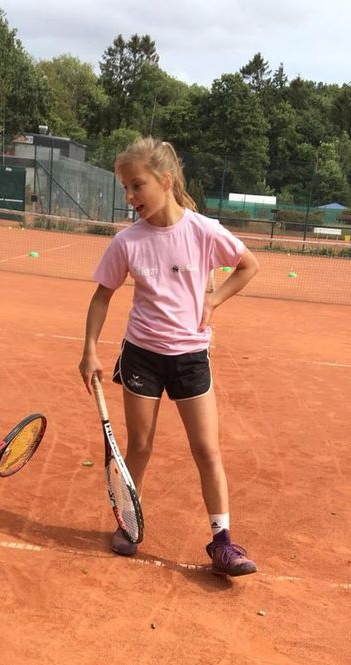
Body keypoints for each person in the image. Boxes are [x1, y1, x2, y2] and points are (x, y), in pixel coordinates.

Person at [78, 137, 260, 577]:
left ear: (166, 180)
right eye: (126, 188)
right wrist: (89, 350)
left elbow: (248, 265)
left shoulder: (203, 231)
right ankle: (128, 523)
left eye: (137, 185)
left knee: (207, 450)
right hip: (141, 355)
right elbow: (103, 296)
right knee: (139, 445)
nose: (130, 197)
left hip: (190, 357)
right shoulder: (128, 242)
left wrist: (214, 300)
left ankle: (222, 543)